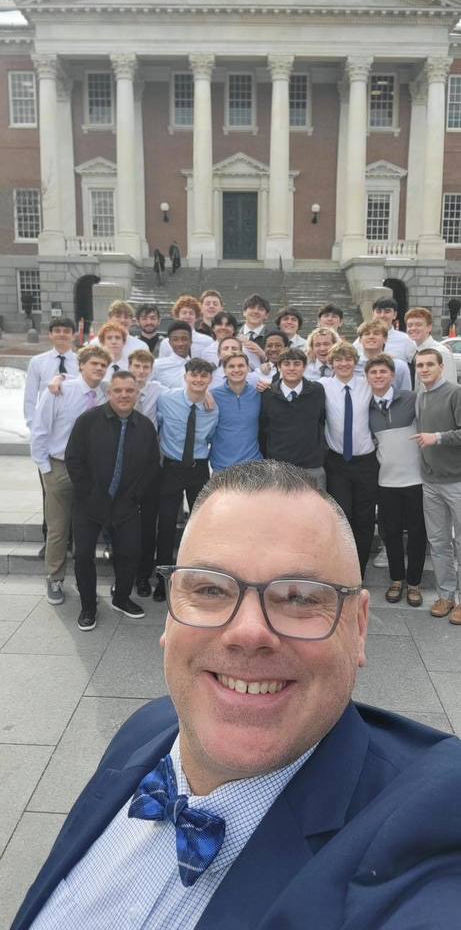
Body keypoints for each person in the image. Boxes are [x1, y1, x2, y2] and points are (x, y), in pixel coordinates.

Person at [12, 461, 461, 930]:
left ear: (360, 626)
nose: (248, 632)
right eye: (209, 588)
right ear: (170, 616)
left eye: (300, 597)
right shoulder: (146, 729)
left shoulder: (427, 821)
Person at [65, 371, 161, 629]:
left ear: (137, 394)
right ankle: (88, 606)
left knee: (130, 552)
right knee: (83, 554)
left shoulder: (145, 427)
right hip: (89, 502)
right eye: (118, 390)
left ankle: (121, 598)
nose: (124, 395)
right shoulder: (88, 421)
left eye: (129, 391)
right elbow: (73, 459)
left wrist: (135, 496)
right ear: (109, 393)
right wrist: (89, 493)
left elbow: (152, 465)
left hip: (126, 503)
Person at [30, 346, 109, 605]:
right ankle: (54, 578)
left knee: (85, 530)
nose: (99, 368)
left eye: (103, 365)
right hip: (60, 467)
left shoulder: (105, 394)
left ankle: (84, 583)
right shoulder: (59, 391)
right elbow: (40, 429)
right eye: (94, 363)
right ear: (81, 365)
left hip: (91, 472)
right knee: (58, 528)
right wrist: (46, 469)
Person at [367, 354, 426, 607]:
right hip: (386, 482)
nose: (378, 376)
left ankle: (414, 583)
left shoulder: (412, 399)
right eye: (373, 372)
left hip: (416, 480)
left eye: (383, 372)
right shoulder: (365, 406)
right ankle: (396, 579)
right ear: (367, 377)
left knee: (416, 533)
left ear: (392, 375)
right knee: (390, 533)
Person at [155, 358, 218, 596]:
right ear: (186, 376)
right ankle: (162, 579)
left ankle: (197, 576)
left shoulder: (214, 408)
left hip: (198, 468)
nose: (198, 380)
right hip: (171, 468)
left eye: (204, 376)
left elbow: (211, 436)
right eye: (194, 375)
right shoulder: (167, 399)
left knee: (199, 524)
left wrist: (208, 397)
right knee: (167, 523)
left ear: (210, 380)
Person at [321, 342, 378, 580]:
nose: (343, 364)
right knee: (342, 516)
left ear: (355, 362)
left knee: (364, 519)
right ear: (331, 363)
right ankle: (342, 570)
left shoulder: (368, 385)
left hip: (366, 462)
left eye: (348, 359)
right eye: (338, 360)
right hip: (337, 464)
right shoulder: (322, 386)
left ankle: (359, 572)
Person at [23, 317, 79, 558]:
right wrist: (33, 427)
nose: (62, 335)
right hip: (48, 439)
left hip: (73, 439)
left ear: (74, 335)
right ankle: (52, 539)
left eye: (67, 331)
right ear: (50, 335)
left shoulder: (80, 362)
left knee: (76, 496)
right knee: (50, 493)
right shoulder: (38, 362)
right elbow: (29, 398)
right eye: (57, 331)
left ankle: (73, 541)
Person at [413, 348, 461, 624]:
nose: (424, 369)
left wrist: (438, 438)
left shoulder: (455, 393)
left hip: (456, 480)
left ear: (441, 367)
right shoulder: (421, 396)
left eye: (430, 364)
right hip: (430, 481)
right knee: (439, 542)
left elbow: (443, 435)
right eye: (420, 365)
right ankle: (446, 596)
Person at [260, 347, 326, 488]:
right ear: (279, 367)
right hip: (278, 467)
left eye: (296, 364)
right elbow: (263, 429)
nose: (291, 368)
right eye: (286, 364)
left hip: (311, 466)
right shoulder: (268, 394)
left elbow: (322, 421)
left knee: (314, 509)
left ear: (304, 367)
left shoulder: (317, 391)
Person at [129, 350, 164, 597]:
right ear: (129, 366)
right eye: (137, 366)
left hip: (151, 466)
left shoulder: (158, 390)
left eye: (145, 367)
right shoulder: (116, 387)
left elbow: (186, 391)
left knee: (148, 524)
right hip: (123, 466)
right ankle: (124, 574)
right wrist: (60, 380)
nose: (140, 372)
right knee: (124, 524)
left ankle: (143, 576)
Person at [210, 354, 262, 471]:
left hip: (253, 466)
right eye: (231, 366)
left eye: (241, 365)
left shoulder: (259, 394)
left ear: (248, 368)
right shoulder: (212, 396)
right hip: (222, 467)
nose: (236, 370)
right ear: (224, 370)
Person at [405, 306, 458, 387]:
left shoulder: (441, 352)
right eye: (410, 325)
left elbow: (449, 386)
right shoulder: (412, 350)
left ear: (429, 327)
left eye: (418, 325)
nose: (413, 328)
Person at [355, 297, 415, 364]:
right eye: (378, 312)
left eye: (387, 312)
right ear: (373, 314)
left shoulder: (406, 340)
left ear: (395, 315)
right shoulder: (361, 341)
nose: (382, 315)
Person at [355, 319, 411, 391]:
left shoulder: (399, 366)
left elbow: (406, 395)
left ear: (385, 339)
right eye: (367, 334)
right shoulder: (353, 366)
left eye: (376, 333)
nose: (371, 337)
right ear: (360, 340)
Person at [154, 322, 192, 389]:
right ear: (169, 342)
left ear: (191, 341)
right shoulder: (157, 365)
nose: (180, 344)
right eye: (175, 340)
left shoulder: (198, 366)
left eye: (184, 339)